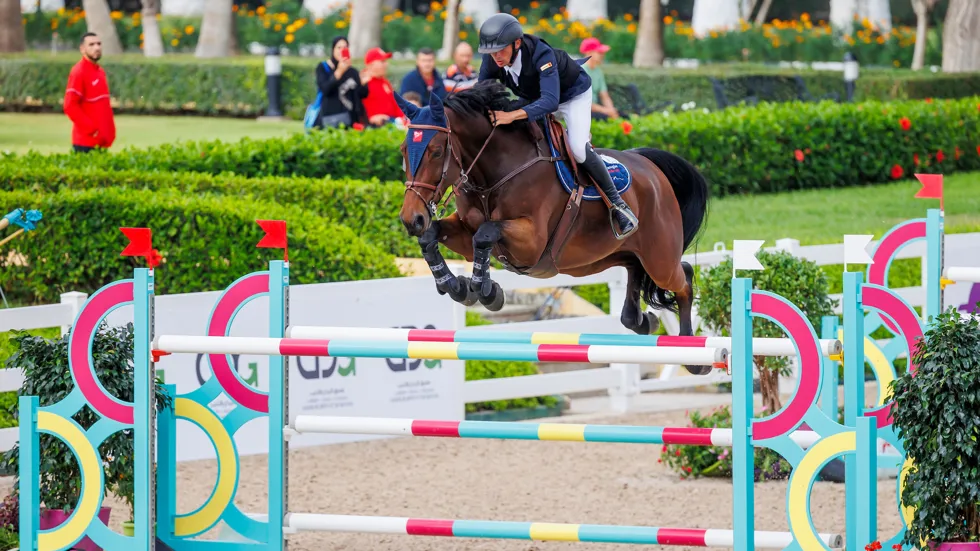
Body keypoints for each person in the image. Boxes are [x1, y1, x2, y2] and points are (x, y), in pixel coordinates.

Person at [476, 13, 637, 237]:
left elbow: (550, 101)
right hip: (535, 98)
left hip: (571, 96)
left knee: (579, 150)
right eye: (491, 52)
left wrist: (511, 115)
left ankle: (619, 205)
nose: (496, 57)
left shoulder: (541, 54)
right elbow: (480, 93)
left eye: (501, 50)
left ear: (517, 43)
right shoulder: (493, 57)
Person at [64, 32, 116, 153]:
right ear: (82, 49)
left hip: (101, 142)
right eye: (91, 44)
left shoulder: (100, 72)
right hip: (85, 143)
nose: (97, 48)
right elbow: (70, 106)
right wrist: (92, 129)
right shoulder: (78, 71)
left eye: (99, 44)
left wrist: (108, 132)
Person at [313, 36, 368, 129]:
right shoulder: (323, 67)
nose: (342, 50)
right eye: (339, 47)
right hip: (330, 118)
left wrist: (363, 83)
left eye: (345, 47)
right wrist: (338, 73)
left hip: (350, 119)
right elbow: (325, 90)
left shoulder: (352, 71)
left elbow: (361, 94)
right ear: (333, 49)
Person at [361, 47, 405, 127]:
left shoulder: (384, 82)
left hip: (392, 123)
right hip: (374, 126)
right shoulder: (363, 82)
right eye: (382, 61)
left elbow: (395, 104)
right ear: (371, 64)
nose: (386, 64)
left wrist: (404, 118)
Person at [579, 37, 620, 121]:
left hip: (597, 109)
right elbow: (582, 101)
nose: (602, 55)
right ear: (589, 52)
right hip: (583, 110)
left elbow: (604, 96)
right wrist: (605, 110)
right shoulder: (580, 71)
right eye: (599, 52)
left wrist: (611, 110)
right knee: (605, 118)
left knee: (622, 115)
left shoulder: (598, 71)